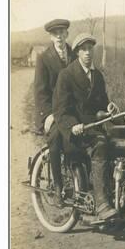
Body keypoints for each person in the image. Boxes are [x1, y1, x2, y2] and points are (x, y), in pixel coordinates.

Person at [53, 33, 118, 221]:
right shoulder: (66, 75)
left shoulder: (97, 76)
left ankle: (115, 195)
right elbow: (60, 110)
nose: (88, 53)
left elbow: (101, 103)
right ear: (77, 52)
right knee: (100, 145)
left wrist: (108, 108)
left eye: (90, 48)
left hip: (94, 127)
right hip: (76, 132)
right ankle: (101, 204)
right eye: (83, 49)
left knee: (116, 143)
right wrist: (73, 125)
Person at [34, 18, 74, 205]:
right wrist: (48, 114)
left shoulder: (74, 54)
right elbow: (40, 92)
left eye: (62, 32)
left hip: (70, 111)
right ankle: (58, 186)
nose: (59, 36)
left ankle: (82, 182)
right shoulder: (44, 58)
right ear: (51, 36)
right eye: (55, 33)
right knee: (57, 137)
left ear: (67, 34)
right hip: (51, 113)